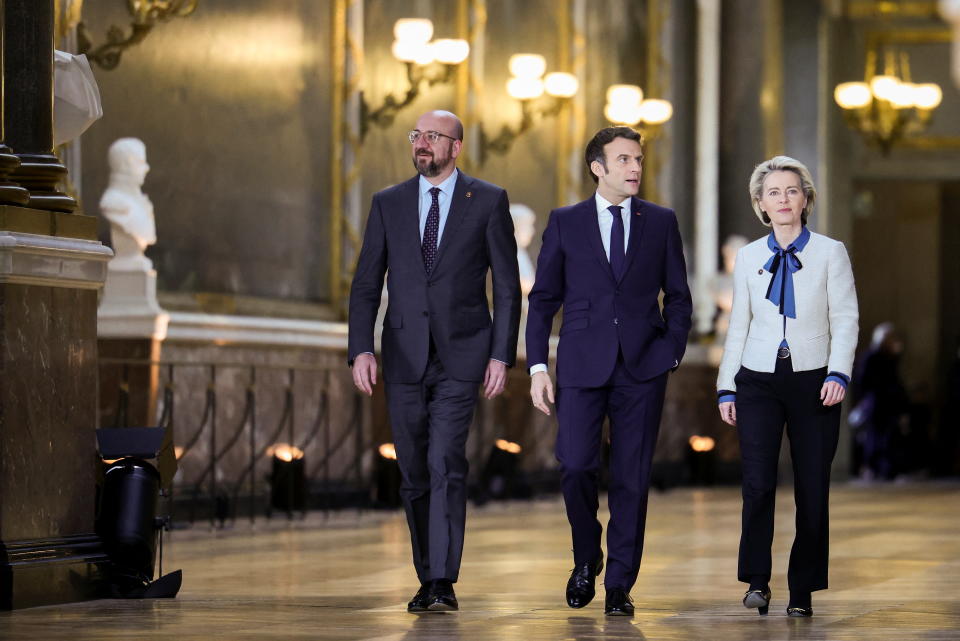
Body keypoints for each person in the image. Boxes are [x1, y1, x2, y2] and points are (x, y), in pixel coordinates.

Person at [347, 110, 521, 613]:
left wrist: (499, 355)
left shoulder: (487, 200)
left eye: (432, 137)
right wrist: (361, 347)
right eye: (416, 136)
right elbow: (365, 284)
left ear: (455, 146)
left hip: (462, 356)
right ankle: (426, 573)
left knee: (446, 460)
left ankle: (442, 580)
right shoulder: (388, 203)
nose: (421, 144)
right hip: (402, 356)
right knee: (413, 470)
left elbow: (507, 290)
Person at [526, 126, 692, 616]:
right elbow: (542, 302)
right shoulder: (566, 221)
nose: (635, 167)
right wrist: (538, 366)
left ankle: (619, 582)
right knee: (575, 465)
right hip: (580, 364)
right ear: (597, 167)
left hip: (644, 368)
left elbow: (679, 297)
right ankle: (586, 558)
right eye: (623, 160)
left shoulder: (660, 222)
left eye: (637, 159)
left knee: (631, 478)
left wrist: (671, 352)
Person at [716, 156, 858, 617]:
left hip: (815, 379)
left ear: (805, 199)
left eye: (792, 191)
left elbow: (846, 317)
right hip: (757, 379)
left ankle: (802, 590)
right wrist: (726, 386)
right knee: (757, 484)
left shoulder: (830, 251)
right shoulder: (749, 256)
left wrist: (839, 372)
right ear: (760, 203)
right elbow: (738, 323)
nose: (783, 199)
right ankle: (758, 580)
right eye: (773, 192)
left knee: (812, 487)